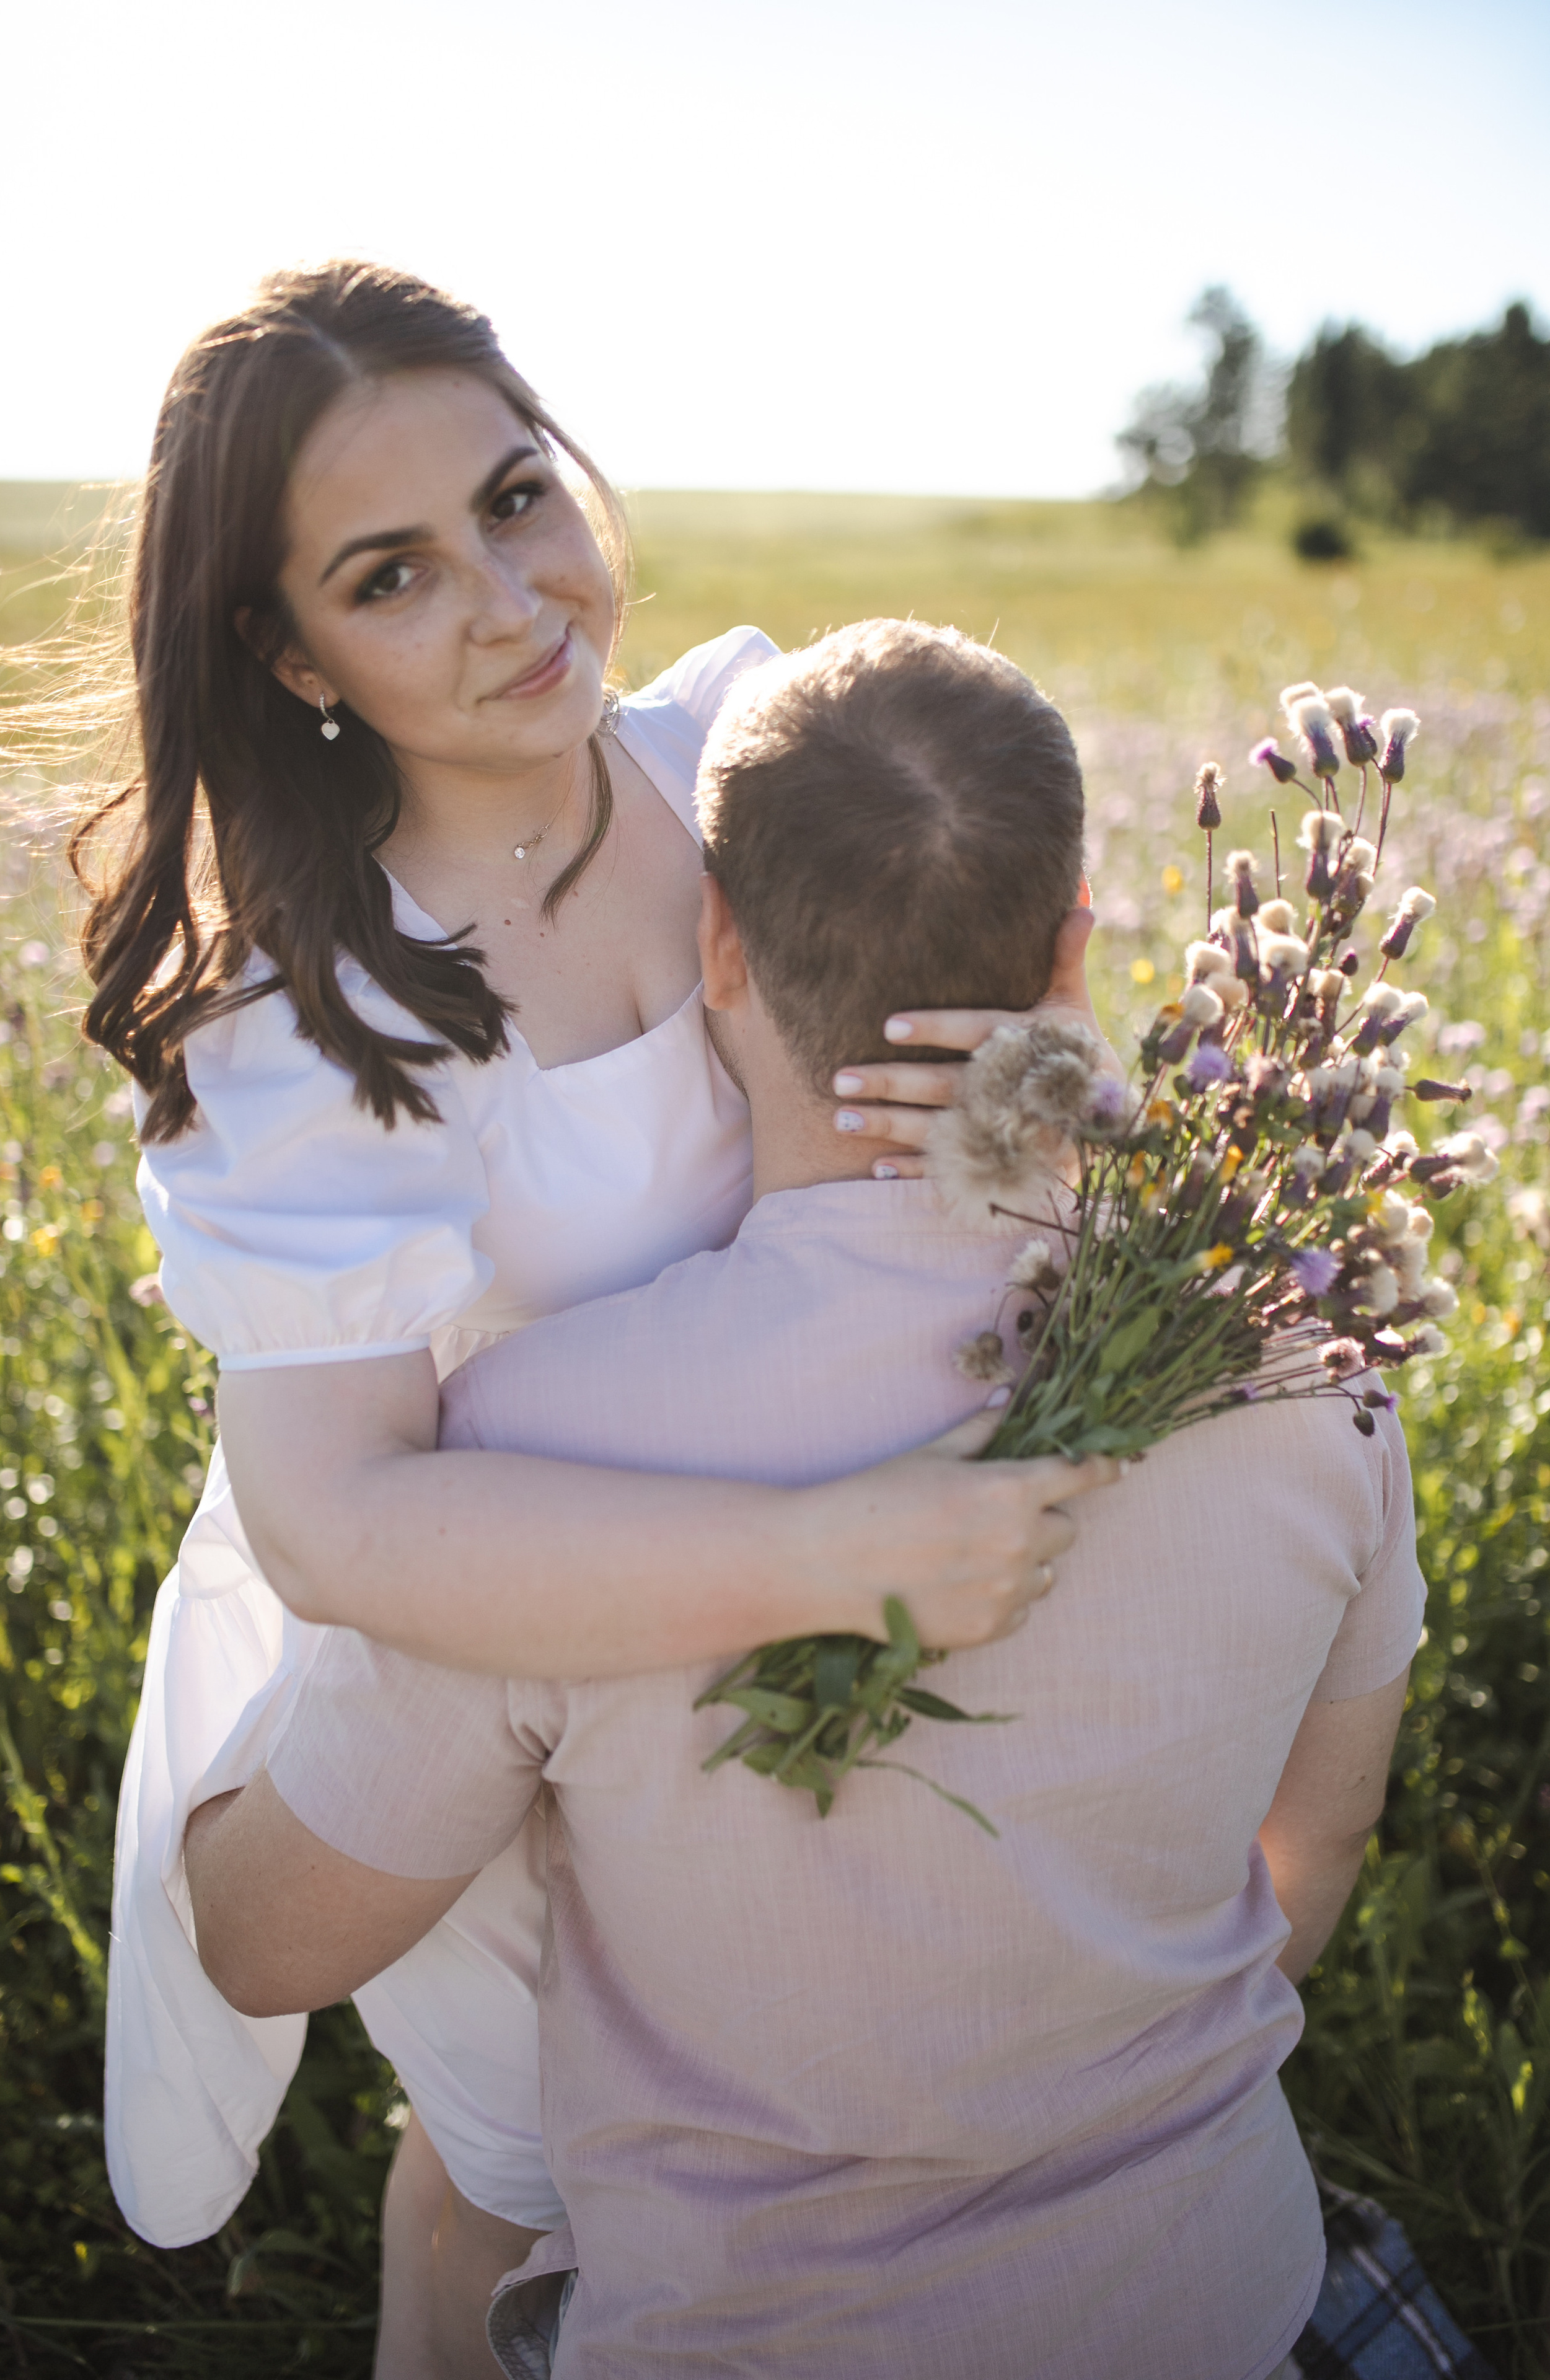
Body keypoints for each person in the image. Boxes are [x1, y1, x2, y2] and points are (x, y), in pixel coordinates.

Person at [188, 620, 1426, 2380]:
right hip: (1214, 2303)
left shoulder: (540, 1448)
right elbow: (1314, 1853)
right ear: (1074, 947)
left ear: (717, 943)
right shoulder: (1310, 1373)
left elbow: (262, 1945)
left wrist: (228, 1709)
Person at [80, 262, 1109, 2349]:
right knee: (521, 2164)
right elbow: (338, 1525)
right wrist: (821, 1556)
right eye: (395, 574)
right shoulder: (316, 1021)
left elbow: (1027, 1025)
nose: (510, 598)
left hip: (837, 1552)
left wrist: (1047, 1091)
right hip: (518, 1631)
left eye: (519, 496)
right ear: (288, 656)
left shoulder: (743, 747)